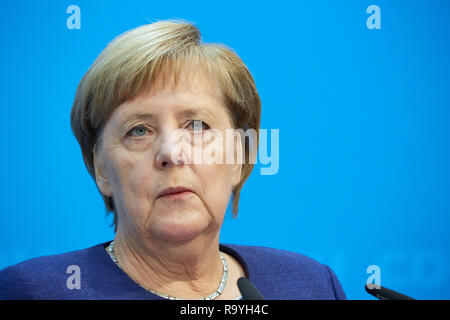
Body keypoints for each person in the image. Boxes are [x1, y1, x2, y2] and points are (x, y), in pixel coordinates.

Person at [0, 20, 346, 300]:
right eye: (139, 130)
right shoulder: (33, 291)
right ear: (101, 169)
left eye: (197, 125)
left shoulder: (311, 285)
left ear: (240, 157)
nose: (171, 152)